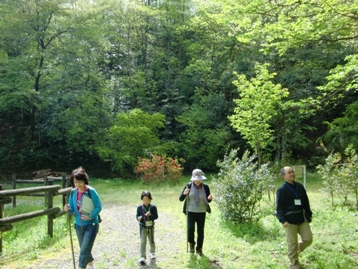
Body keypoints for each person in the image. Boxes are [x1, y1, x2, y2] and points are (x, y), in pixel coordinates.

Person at [64, 167, 102, 269]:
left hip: (91, 225)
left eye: (80, 182)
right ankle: (91, 267)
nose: (78, 184)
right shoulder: (73, 192)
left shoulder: (91, 191)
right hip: (78, 226)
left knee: (84, 250)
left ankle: (81, 267)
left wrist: (90, 216)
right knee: (85, 249)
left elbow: (99, 206)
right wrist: (67, 209)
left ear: (84, 180)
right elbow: (72, 209)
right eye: (76, 182)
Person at [276, 166, 313, 269]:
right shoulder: (281, 190)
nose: (292, 174)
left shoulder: (300, 187)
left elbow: (306, 202)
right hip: (289, 221)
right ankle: (294, 264)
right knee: (292, 244)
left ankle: (296, 250)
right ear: (284, 176)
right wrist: (283, 220)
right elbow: (279, 208)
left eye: (292, 172)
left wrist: (309, 214)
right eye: (289, 172)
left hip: (301, 218)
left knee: (308, 239)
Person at [179, 169, 212, 256]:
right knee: (190, 229)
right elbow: (181, 199)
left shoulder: (205, 187)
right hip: (191, 211)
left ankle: (199, 248)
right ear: (193, 179)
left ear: (202, 179)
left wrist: (210, 199)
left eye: (199, 179)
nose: (197, 181)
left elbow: (208, 200)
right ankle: (191, 244)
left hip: (201, 211)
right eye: (196, 179)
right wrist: (184, 193)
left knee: (200, 231)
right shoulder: (188, 186)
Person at [136, 190, 158, 265]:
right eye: (144, 200)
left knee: (151, 240)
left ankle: (152, 252)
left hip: (151, 226)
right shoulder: (139, 207)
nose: (145, 201)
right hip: (143, 226)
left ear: (150, 199)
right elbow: (137, 215)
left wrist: (150, 215)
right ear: (142, 200)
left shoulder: (153, 207)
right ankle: (142, 257)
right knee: (143, 241)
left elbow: (156, 216)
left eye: (147, 200)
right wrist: (138, 218)